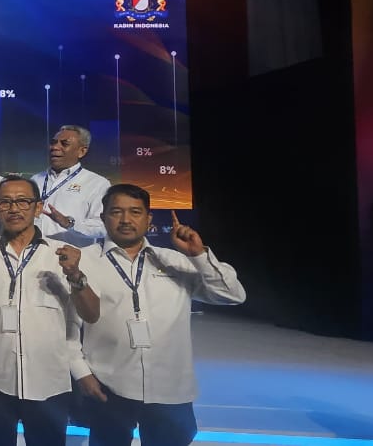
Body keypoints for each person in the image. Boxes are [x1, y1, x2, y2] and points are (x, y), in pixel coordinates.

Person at [74, 184, 245, 446]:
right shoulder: (83, 261)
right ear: (103, 217)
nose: (126, 220)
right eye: (117, 212)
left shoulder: (175, 261)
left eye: (135, 212)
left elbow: (232, 295)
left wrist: (199, 255)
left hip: (170, 387)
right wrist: (81, 373)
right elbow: (68, 324)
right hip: (108, 383)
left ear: (149, 219)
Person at [0, 175, 101, 446]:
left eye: (23, 201)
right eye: (5, 202)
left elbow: (91, 314)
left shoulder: (64, 254)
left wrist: (75, 275)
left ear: (38, 208)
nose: (14, 208)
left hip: (49, 381)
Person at [31, 125, 110, 247]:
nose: (55, 147)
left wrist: (69, 224)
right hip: (34, 253)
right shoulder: (35, 180)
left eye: (64, 144)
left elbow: (103, 227)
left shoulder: (97, 183)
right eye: (53, 142)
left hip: (69, 256)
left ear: (81, 151)